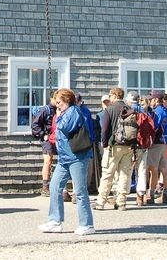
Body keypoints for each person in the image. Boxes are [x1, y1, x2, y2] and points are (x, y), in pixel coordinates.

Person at [37, 88, 95, 236]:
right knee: (55, 186)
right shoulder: (65, 112)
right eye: (56, 103)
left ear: (67, 100)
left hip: (77, 157)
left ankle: (87, 224)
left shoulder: (73, 111)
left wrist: (58, 117)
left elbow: (64, 128)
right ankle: (55, 221)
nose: (57, 105)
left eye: (59, 102)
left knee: (80, 190)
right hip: (64, 157)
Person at [94, 87, 133, 210]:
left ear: (115, 96)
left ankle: (101, 201)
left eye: (110, 95)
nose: (109, 97)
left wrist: (105, 143)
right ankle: (121, 201)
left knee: (108, 173)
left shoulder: (109, 109)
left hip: (113, 146)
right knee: (124, 174)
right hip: (128, 145)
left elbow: (105, 129)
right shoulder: (129, 109)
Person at [146, 90, 167, 204]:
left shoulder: (157, 112)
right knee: (164, 169)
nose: (150, 101)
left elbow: (154, 127)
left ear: (156, 99)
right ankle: (166, 194)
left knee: (153, 169)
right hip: (165, 142)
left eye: (152, 99)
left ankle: (151, 194)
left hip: (156, 143)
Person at [31, 94, 58, 196]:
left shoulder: (59, 109)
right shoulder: (45, 110)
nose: (57, 101)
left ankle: (56, 186)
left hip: (57, 138)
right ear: (51, 99)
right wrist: (43, 135)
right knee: (48, 160)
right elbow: (35, 125)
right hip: (47, 138)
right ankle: (45, 188)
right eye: (56, 99)